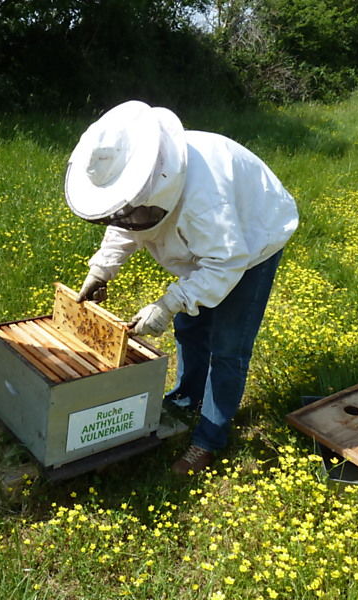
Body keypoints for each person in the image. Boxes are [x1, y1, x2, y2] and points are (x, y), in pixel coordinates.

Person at [65, 100, 298, 476]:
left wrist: (168, 303)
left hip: (254, 237)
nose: (127, 216)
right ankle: (187, 397)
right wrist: (101, 270)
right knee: (190, 326)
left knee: (228, 348)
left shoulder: (204, 199)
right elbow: (124, 221)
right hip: (215, 241)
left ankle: (209, 439)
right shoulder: (141, 179)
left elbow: (225, 262)